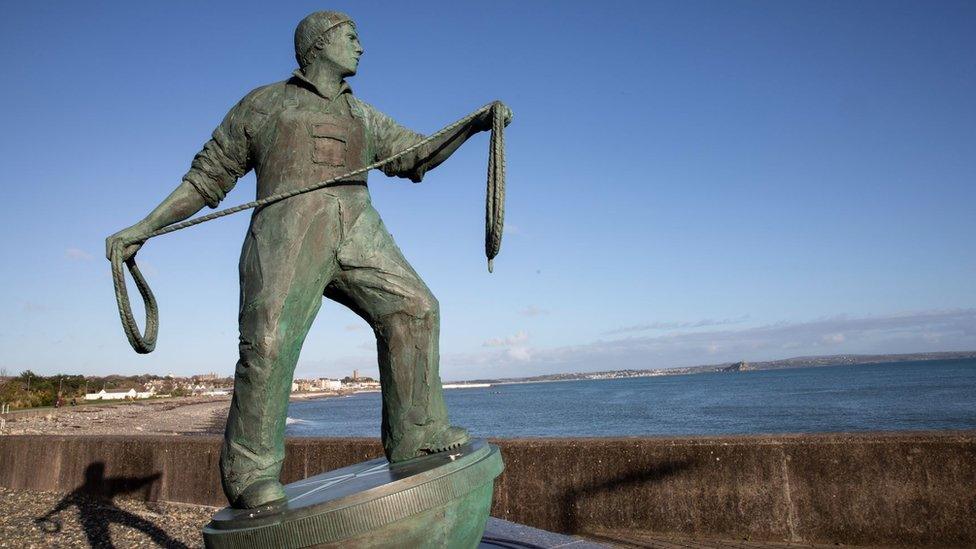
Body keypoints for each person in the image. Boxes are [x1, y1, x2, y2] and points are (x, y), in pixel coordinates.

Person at [106, 11, 511, 509]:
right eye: (352, 37)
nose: (361, 47)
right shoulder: (264, 104)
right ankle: (250, 473)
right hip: (286, 231)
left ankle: (417, 435)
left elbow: (415, 155)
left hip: (359, 226)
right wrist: (145, 227)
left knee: (415, 309)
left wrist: (474, 125)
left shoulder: (361, 114)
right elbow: (207, 178)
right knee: (269, 343)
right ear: (319, 45)